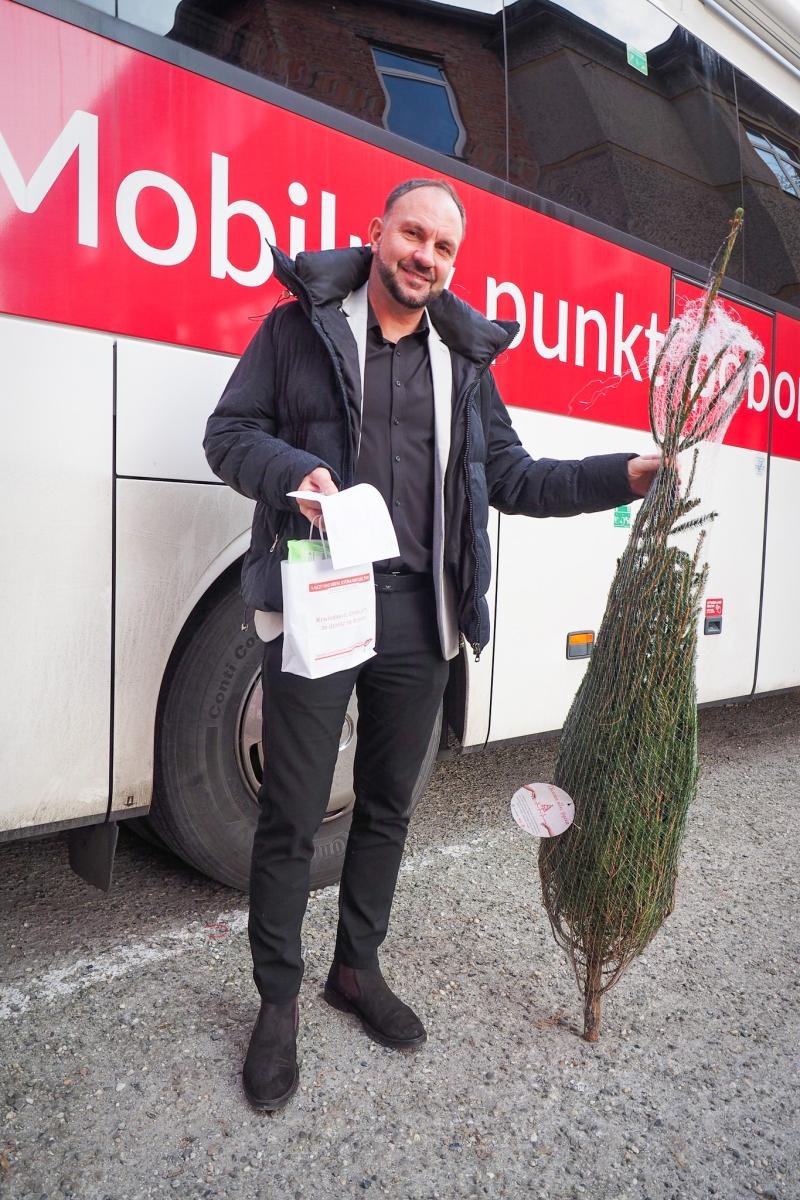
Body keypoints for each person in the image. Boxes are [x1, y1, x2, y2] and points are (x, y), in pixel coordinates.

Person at [204, 178, 659, 1111]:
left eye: (444, 248)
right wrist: (296, 474)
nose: (426, 256)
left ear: (454, 263)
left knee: (386, 809)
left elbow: (519, 479)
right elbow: (227, 435)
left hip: (421, 616)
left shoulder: (463, 360)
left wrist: (625, 473)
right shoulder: (301, 330)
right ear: (377, 233)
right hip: (324, 600)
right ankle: (279, 1003)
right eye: (414, 234)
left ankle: (357, 971)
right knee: (293, 813)